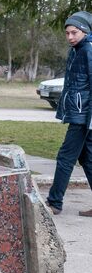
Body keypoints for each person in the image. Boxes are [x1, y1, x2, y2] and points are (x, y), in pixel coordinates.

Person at [46, 11, 92, 217]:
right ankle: (55, 202)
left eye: (74, 32)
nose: (70, 37)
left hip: (84, 117)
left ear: (85, 31)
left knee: (65, 158)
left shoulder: (88, 50)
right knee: (87, 159)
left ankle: (54, 203)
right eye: (67, 33)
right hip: (78, 113)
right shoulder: (76, 50)